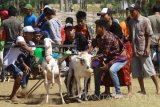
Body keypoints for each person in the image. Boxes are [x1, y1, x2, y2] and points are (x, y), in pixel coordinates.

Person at [128, 3, 159, 94]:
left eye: (132, 11)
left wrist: (148, 47)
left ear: (138, 10)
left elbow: (149, 34)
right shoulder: (130, 22)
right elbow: (130, 36)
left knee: (149, 69)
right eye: (130, 11)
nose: (131, 13)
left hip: (144, 49)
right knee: (137, 71)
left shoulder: (145, 20)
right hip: (134, 49)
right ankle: (142, 90)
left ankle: (158, 87)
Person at [93, 19, 127, 98]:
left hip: (119, 58)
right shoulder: (100, 36)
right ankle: (97, 93)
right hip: (109, 58)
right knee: (95, 67)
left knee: (112, 70)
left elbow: (105, 53)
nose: (95, 29)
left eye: (97, 27)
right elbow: (98, 50)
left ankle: (118, 93)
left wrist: (93, 58)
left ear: (102, 28)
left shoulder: (108, 37)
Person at [3, 26, 35, 102]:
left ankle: (21, 92)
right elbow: (22, 44)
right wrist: (30, 49)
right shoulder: (20, 38)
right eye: (30, 33)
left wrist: (26, 65)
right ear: (25, 34)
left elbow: (26, 57)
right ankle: (12, 96)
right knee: (19, 74)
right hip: (8, 62)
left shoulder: (32, 43)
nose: (31, 35)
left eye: (32, 33)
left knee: (22, 75)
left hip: (18, 64)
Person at [1, 6, 22, 81]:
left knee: (5, 60)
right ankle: (16, 75)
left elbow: (0, 33)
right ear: (15, 13)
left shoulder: (4, 22)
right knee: (16, 59)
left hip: (7, 43)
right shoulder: (19, 22)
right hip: (16, 44)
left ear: (8, 13)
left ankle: (4, 76)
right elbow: (21, 35)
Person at [119, 16, 132, 95]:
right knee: (125, 67)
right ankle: (128, 90)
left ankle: (130, 90)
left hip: (129, 46)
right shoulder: (123, 24)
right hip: (124, 46)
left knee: (127, 68)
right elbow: (121, 38)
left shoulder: (132, 24)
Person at [148, 5, 160, 74]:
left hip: (151, 39)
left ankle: (151, 71)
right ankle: (159, 70)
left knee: (151, 55)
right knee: (159, 55)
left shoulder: (148, 18)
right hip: (159, 39)